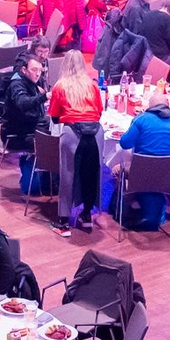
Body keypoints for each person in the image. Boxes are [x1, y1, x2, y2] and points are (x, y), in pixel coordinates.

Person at [47, 50, 104, 234]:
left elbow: (55, 117)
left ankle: (63, 222)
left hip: (72, 132)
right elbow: (99, 111)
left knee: (67, 174)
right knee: (92, 172)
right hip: (96, 132)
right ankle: (87, 215)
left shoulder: (60, 86)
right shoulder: (92, 86)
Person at [118, 97, 170, 228]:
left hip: (140, 175)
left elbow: (124, 143)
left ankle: (124, 207)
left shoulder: (140, 120)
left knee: (116, 169)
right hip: (167, 178)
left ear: (149, 106)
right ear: (168, 105)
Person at [3, 54, 50, 149]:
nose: (38, 74)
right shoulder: (16, 85)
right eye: (34, 70)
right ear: (24, 70)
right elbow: (23, 103)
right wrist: (44, 97)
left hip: (27, 128)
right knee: (56, 141)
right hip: (17, 137)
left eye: (40, 70)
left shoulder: (30, 82)